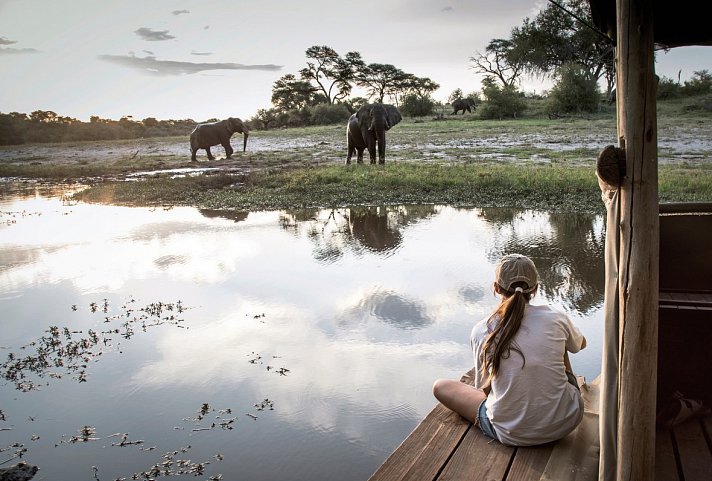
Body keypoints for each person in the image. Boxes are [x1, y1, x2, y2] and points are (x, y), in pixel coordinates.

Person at [432, 254, 586, 446]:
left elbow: (486, 391)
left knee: (441, 386)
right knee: (561, 344)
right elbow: (580, 345)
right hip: (566, 423)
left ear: (496, 288)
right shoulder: (555, 318)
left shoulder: (482, 331)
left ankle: (521, 410)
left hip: (511, 434)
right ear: (536, 288)